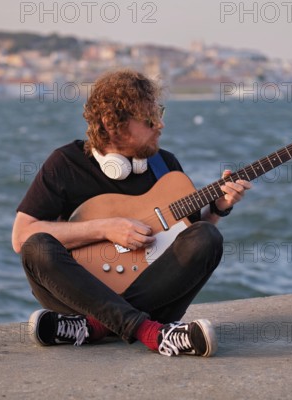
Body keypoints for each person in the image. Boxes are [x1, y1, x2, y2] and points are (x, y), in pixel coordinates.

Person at [12, 69, 251, 357]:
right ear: (113, 125)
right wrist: (104, 229)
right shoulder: (65, 163)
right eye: (149, 120)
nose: (160, 125)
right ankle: (153, 333)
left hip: (149, 290)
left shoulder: (165, 165)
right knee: (36, 247)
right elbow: (21, 236)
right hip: (77, 297)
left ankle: (94, 327)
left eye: (159, 113)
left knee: (208, 237)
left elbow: (187, 241)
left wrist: (217, 208)